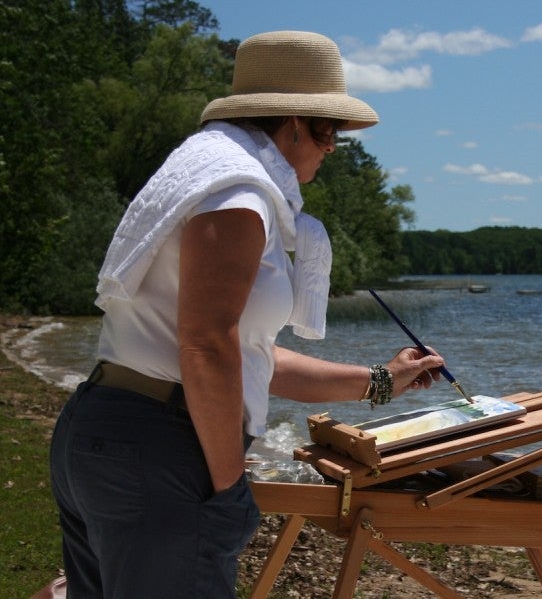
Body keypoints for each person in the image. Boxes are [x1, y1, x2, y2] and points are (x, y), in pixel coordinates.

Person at [49, 31, 446, 599]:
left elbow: (246, 353)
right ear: (289, 122)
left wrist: (381, 380)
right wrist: (230, 484)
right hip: (159, 446)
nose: (333, 147)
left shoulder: (205, 173)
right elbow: (207, 344)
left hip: (110, 431)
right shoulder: (238, 193)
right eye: (327, 130)